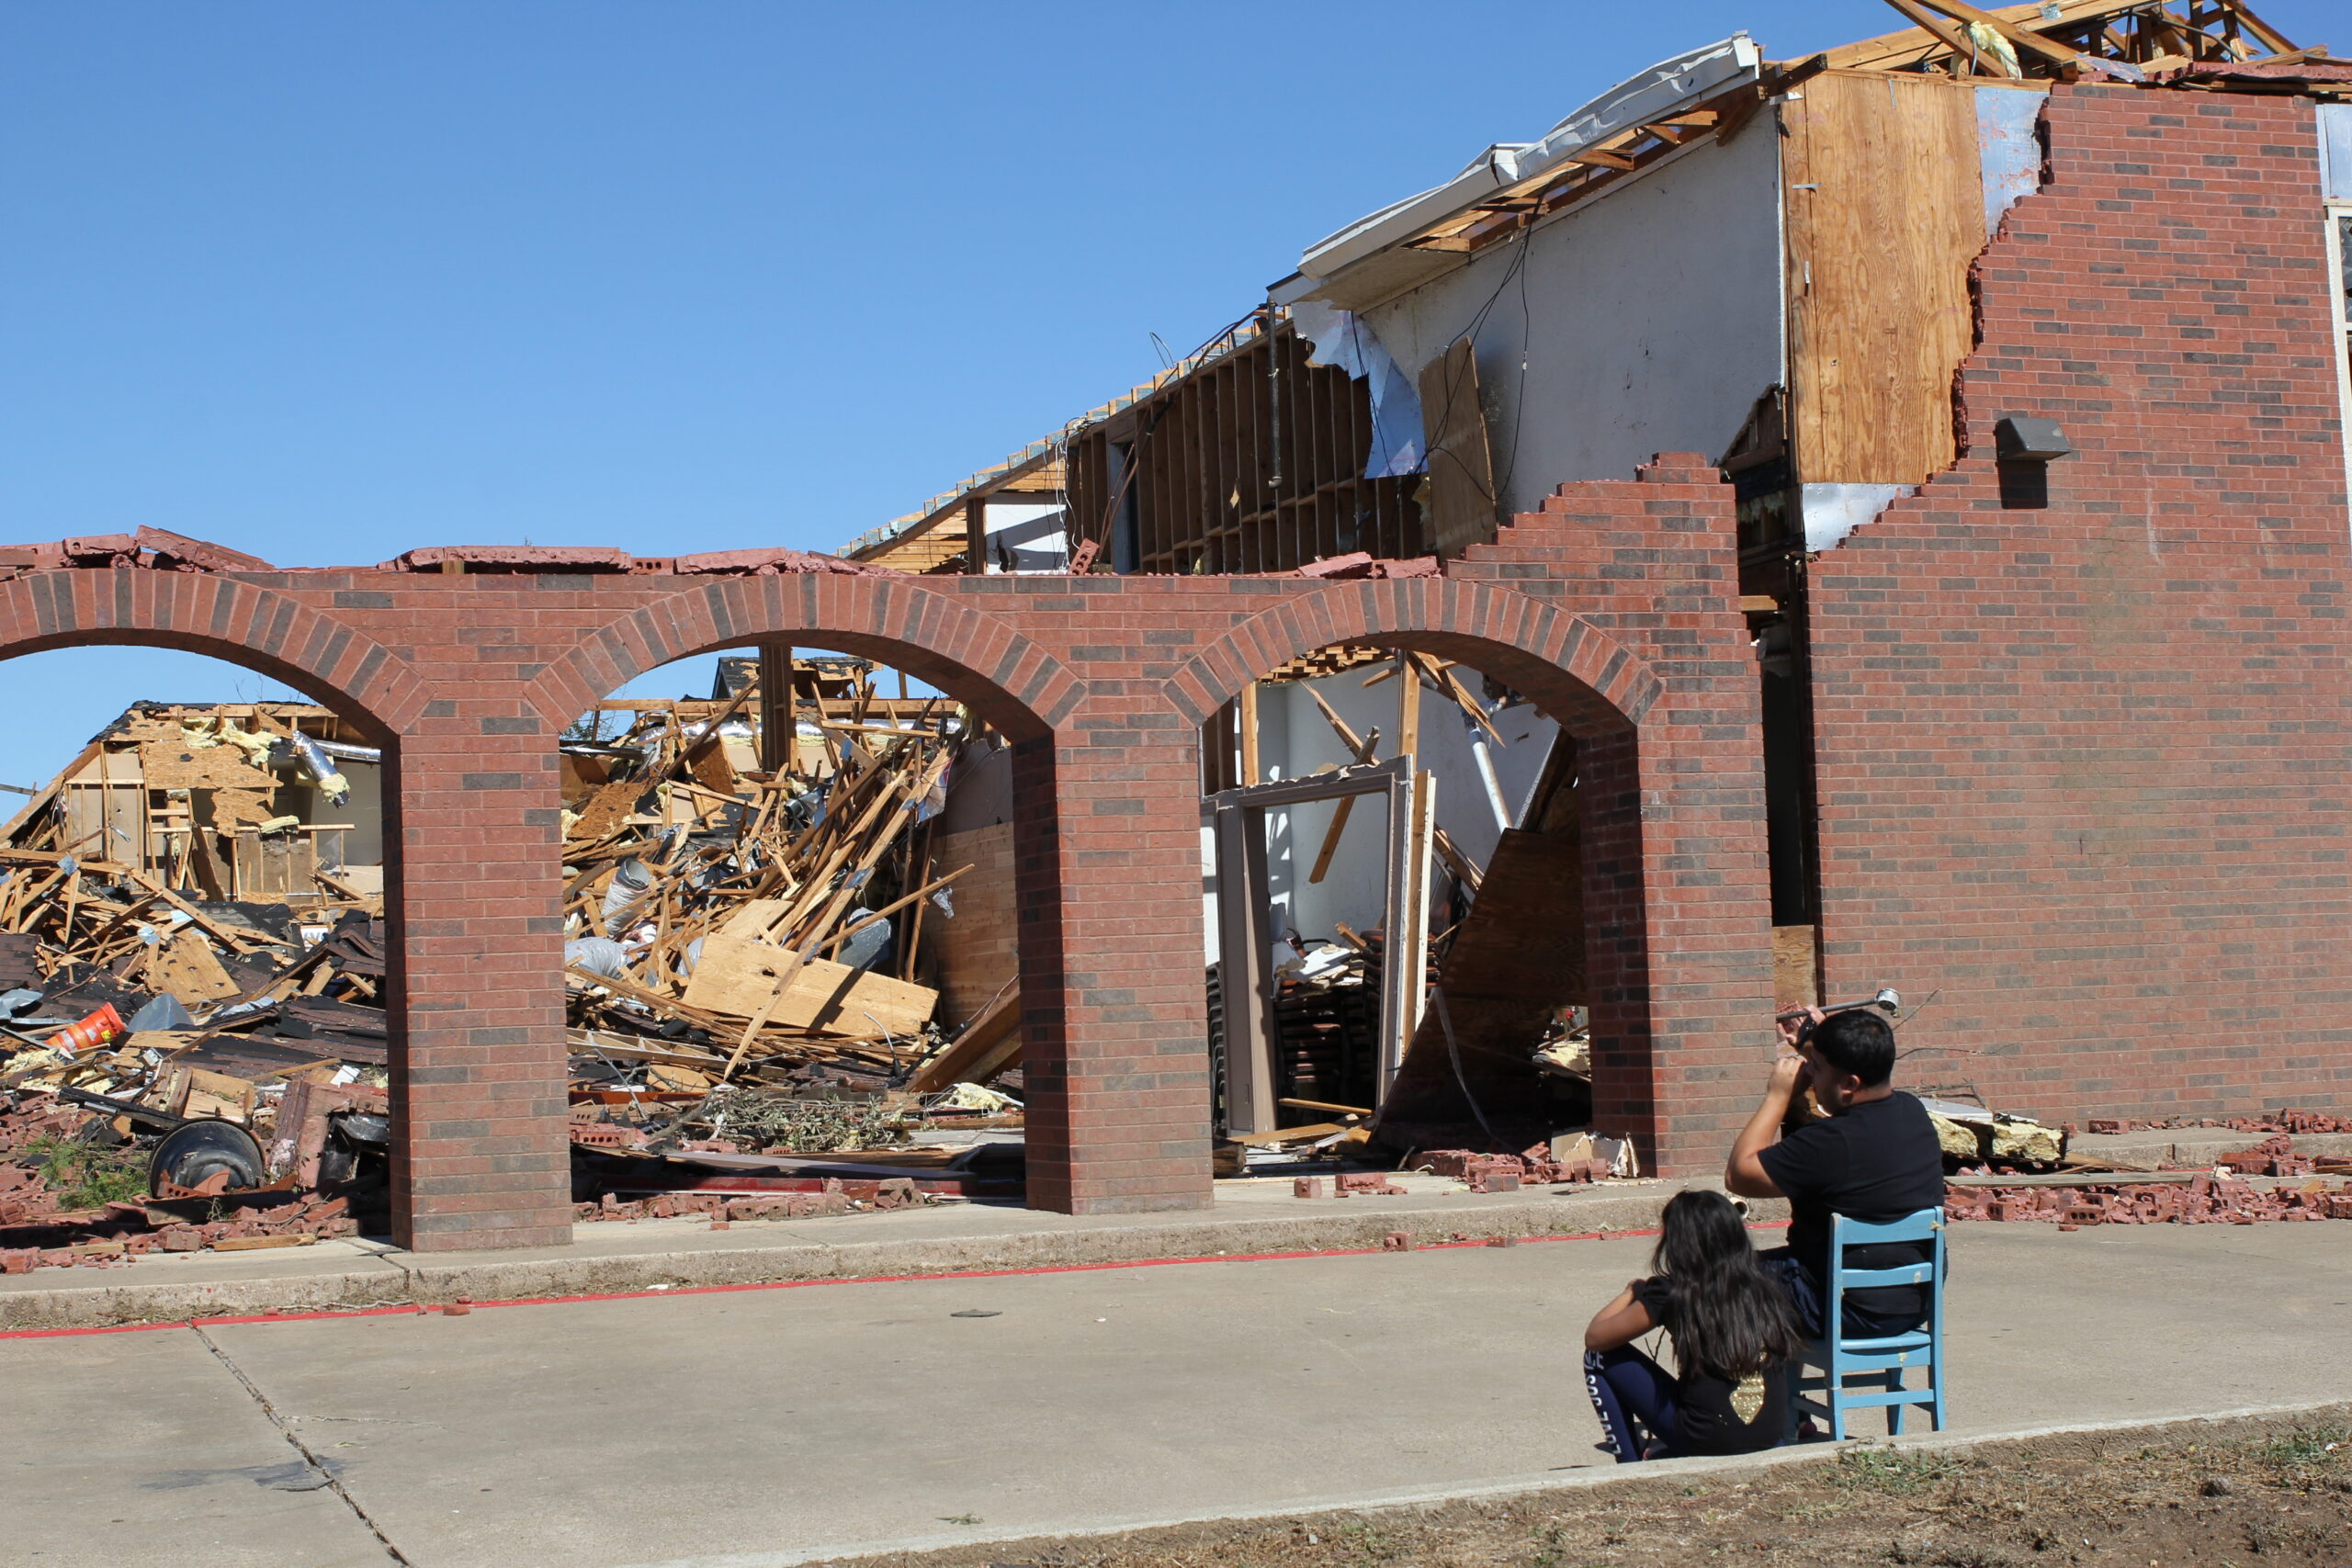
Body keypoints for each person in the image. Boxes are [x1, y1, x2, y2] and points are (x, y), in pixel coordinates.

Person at [1724, 1006, 1945, 1342]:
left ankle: (1736, 1376)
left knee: (1702, 1284)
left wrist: (1778, 1096)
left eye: (1816, 1067)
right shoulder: (1912, 1112)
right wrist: (1818, 1045)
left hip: (1840, 1307)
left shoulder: (1827, 1142)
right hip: (1911, 1302)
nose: (1809, 1075)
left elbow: (1739, 1175)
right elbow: (1845, 1080)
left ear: (1849, 1083)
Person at [1582, 1189, 1804, 1462]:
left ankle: (1629, 1464)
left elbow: (1595, 1338)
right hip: (1770, 1436)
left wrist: (1632, 1292)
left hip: (1704, 1436)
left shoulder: (1672, 1291)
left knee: (1596, 1357)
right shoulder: (1767, 1283)